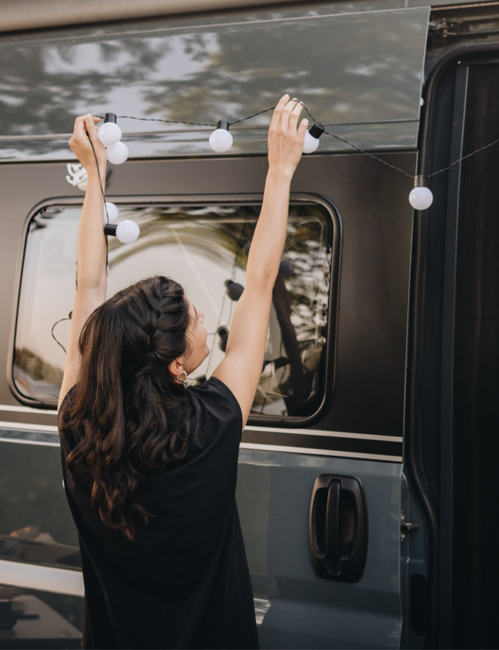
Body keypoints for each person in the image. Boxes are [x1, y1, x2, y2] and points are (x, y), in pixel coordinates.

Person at [58, 95, 310, 649]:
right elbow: (260, 282)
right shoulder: (211, 424)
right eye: (197, 319)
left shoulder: (80, 425)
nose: (204, 319)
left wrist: (96, 175)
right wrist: (280, 168)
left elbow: (88, 287)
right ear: (175, 363)